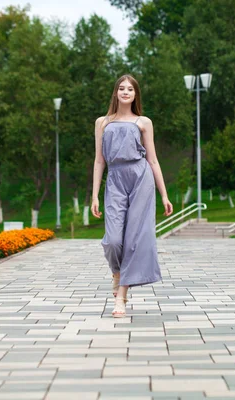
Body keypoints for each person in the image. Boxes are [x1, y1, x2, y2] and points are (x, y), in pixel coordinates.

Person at [91, 74, 173, 318]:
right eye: (121, 88)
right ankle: (117, 273)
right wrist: (94, 196)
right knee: (114, 240)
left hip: (141, 178)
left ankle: (122, 297)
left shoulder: (143, 122)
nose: (125, 92)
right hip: (115, 179)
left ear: (136, 94)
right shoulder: (102, 123)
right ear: (116, 93)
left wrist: (164, 195)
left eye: (130, 89)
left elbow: (153, 160)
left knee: (134, 239)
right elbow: (99, 161)